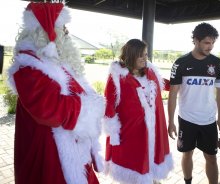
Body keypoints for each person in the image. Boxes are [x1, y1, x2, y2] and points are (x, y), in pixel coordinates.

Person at [8, 2, 105, 184]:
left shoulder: (56, 61)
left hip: (73, 151)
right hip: (51, 154)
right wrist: (91, 106)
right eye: (63, 28)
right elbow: (49, 109)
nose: (67, 33)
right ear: (46, 31)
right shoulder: (29, 65)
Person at [103, 39, 173, 184]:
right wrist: (113, 133)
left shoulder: (150, 71)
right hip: (131, 133)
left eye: (146, 55)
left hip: (154, 128)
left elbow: (163, 83)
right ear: (131, 55)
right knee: (134, 167)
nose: (145, 58)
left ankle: (152, 179)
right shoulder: (118, 76)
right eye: (141, 55)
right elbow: (108, 104)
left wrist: (177, 83)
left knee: (152, 161)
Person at [167, 22, 220, 184]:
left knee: (212, 157)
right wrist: (170, 121)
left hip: (208, 119)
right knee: (187, 154)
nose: (211, 46)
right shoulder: (181, 63)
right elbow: (173, 94)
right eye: (207, 42)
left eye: (213, 42)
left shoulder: (217, 63)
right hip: (186, 119)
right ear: (195, 40)